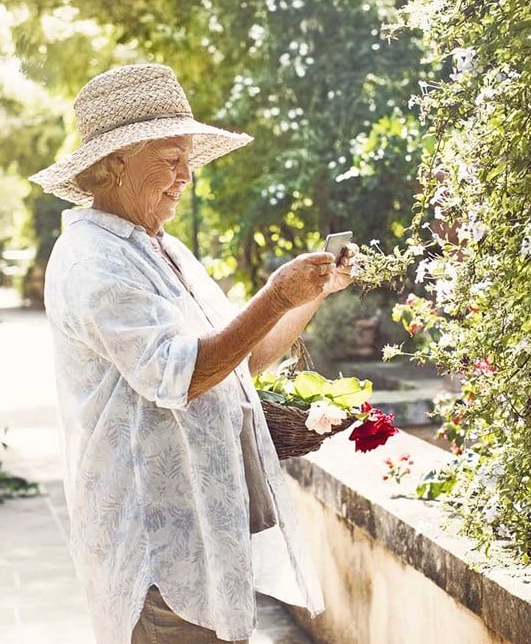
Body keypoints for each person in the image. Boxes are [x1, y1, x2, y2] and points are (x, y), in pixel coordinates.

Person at [28, 64, 356, 644]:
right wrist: (274, 293)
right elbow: (180, 376)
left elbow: (241, 361)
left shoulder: (160, 247)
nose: (186, 177)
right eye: (171, 158)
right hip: (155, 551)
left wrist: (310, 297)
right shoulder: (93, 260)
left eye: (188, 160)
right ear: (117, 161)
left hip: (201, 536)